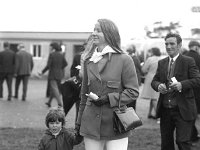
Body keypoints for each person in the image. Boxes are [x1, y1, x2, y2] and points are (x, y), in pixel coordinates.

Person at [75, 19, 139, 150]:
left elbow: (133, 92)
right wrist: (78, 122)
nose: (94, 33)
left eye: (98, 30)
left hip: (116, 125)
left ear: (109, 34)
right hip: (90, 124)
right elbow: (83, 96)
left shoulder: (124, 59)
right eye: (93, 30)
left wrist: (109, 99)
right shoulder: (89, 60)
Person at [151, 33, 200, 150]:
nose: (168, 46)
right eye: (166, 44)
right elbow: (154, 81)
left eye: (172, 43)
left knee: (182, 142)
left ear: (179, 45)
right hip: (165, 110)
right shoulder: (161, 62)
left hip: (183, 109)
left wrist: (181, 85)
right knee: (166, 144)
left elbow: (197, 80)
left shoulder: (188, 61)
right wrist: (158, 86)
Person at [140, 47, 162, 120]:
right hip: (160, 79)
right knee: (153, 97)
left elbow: (143, 70)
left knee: (154, 98)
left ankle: (159, 116)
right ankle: (150, 114)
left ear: (152, 52)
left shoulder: (150, 59)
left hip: (151, 78)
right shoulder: (162, 59)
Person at [185, 40, 200, 143]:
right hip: (197, 89)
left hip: (185, 88)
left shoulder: (183, 56)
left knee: (187, 112)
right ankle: (192, 135)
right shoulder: (198, 57)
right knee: (194, 113)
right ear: (196, 47)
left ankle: (191, 134)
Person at [44, 42, 68, 107]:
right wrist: (60, 68)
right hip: (59, 74)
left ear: (53, 47)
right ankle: (49, 102)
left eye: (50, 47)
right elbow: (65, 63)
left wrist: (42, 72)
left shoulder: (52, 54)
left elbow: (48, 65)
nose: (50, 48)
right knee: (54, 89)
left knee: (54, 89)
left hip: (52, 74)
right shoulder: (61, 54)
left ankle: (60, 103)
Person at [126, 44, 142, 111]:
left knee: (131, 97)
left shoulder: (133, 58)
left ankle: (131, 113)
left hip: (133, 80)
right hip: (131, 80)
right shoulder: (134, 58)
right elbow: (139, 68)